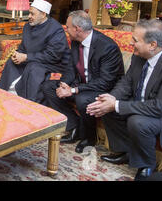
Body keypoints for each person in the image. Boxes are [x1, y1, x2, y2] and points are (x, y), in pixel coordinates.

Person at [87, 19, 162, 181]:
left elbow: (160, 106)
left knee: (137, 121)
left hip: (161, 114)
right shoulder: (139, 57)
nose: (130, 43)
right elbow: (126, 83)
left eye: (135, 40)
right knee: (106, 107)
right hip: (141, 104)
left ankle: (146, 165)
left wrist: (117, 105)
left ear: (153, 45)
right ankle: (125, 152)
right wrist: (112, 98)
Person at [42, 10, 125, 153]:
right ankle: (74, 126)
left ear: (77, 29)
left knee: (82, 99)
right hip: (82, 84)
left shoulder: (107, 47)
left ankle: (89, 138)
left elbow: (105, 82)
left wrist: (73, 90)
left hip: (103, 88)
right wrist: (64, 84)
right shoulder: (76, 42)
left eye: (67, 27)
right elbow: (71, 68)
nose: (66, 29)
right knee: (49, 86)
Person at [0, 0, 71, 104]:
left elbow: (52, 56)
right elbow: (24, 47)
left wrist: (26, 57)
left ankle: (30, 103)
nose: (29, 17)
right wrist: (17, 54)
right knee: (11, 63)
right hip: (33, 58)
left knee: (34, 68)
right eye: (29, 13)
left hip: (53, 63)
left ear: (43, 14)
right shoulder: (28, 26)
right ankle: (5, 96)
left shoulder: (56, 29)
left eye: (32, 14)